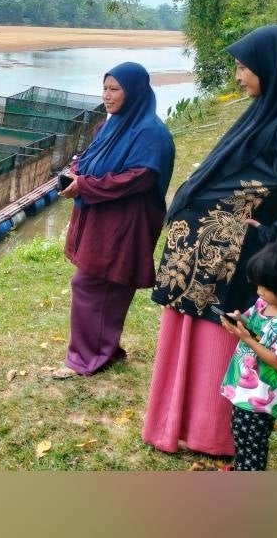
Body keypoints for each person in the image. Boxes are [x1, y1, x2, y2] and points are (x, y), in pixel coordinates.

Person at [143, 24, 277, 456]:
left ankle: (209, 434)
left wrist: (273, 235)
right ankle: (181, 423)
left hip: (229, 261)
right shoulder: (268, 112)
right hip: (211, 258)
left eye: (244, 67)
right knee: (195, 333)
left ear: (272, 68)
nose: (237, 76)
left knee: (216, 337)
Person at [52, 61, 175, 379]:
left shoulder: (151, 133)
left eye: (114, 89)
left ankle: (85, 359)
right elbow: (89, 156)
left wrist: (87, 185)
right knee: (105, 282)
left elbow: (140, 178)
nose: (106, 96)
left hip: (126, 223)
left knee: (93, 283)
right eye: (104, 88)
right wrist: (75, 173)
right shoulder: (111, 125)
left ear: (134, 92)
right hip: (102, 218)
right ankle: (105, 349)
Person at [219, 241, 277, 470]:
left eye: (265, 287)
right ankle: (241, 467)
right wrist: (239, 319)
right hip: (246, 385)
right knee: (240, 431)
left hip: (264, 394)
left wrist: (247, 339)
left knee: (253, 441)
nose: (259, 291)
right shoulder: (265, 304)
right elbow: (252, 321)